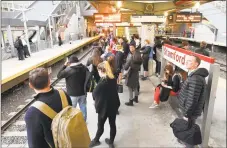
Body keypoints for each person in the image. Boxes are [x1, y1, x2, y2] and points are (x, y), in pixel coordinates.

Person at [25, 68, 72, 148]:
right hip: (69, 139)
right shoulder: (63, 94)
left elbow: (34, 144)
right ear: (49, 81)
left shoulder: (33, 112)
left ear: (31, 85)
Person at [177, 55, 208, 147]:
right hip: (188, 110)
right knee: (188, 130)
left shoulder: (195, 78)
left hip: (190, 112)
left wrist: (187, 114)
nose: (186, 62)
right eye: (187, 60)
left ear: (196, 64)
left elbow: (193, 99)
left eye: (190, 61)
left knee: (189, 133)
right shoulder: (193, 75)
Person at [90, 61, 120, 148]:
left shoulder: (102, 83)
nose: (98, 72)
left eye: (98, 71)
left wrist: (96, 100)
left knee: (100, 125)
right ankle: (111, 143)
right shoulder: (113, 79)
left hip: (104, 108)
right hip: (113, 106)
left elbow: (94, 94)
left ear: (102, 70)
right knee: (112, 124)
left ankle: (96, 140)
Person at [57, 54, 90, 121]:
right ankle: (83, 120)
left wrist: (64, 65)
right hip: (83, 93)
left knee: (71, 109)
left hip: (72, 94)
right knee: (83, 106)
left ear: (70, 62)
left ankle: (71, 122)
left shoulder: (68, 70)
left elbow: (59, 75)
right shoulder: (84, 67)